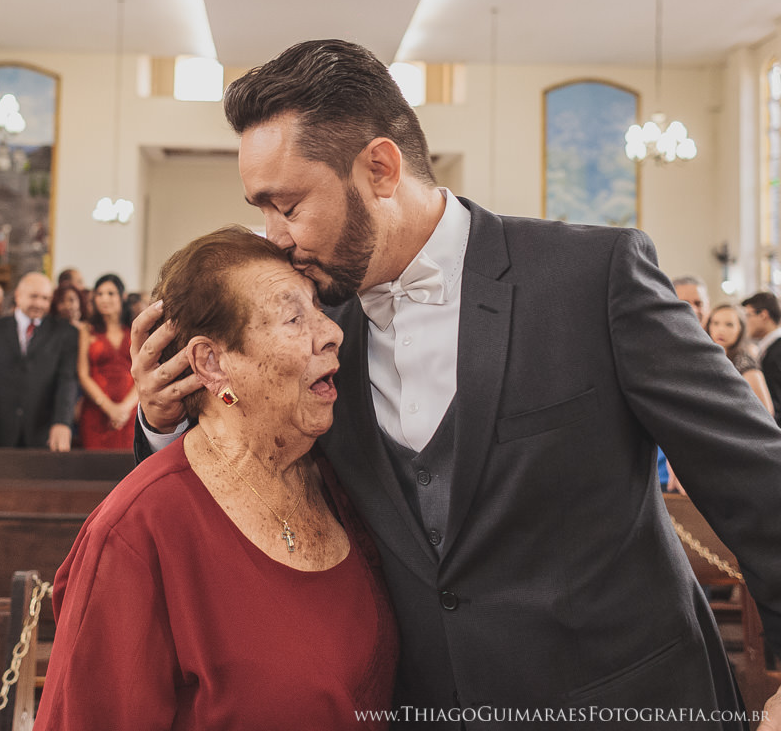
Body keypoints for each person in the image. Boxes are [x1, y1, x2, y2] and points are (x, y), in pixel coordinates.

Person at [132, 39, 781, 724]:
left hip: (628, 702)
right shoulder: (313, 329)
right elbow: (246, 483)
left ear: (380, 168)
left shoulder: (591, 277)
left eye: (288, 206)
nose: (275, 238)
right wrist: (162, 418)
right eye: (261, 209)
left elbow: (756, 479)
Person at [36, 227, 397, 730]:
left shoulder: (335, 480)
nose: (332, 333)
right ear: (212, 362)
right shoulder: (134, 533)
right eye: (295, 318)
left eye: (320, 310)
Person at [0, 272, 78, 451]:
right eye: (34, 296)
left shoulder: (65, 333)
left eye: (45, 298)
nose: (39, 303)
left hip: (44, 432)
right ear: (18, 295)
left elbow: (67, 381)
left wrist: (62, 422)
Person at [76, 273, 137, 449]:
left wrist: (125, 408)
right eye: (100, 294)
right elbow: (82, 373)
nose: (104, 299)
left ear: (122, 297)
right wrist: (108, 407)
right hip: (97, 410)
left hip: (130, 410)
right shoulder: (87, 330)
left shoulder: (135, 329)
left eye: (110, 293)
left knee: (130, 468)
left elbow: (144, 372)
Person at [707, 303, 775, 415]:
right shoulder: (712, 357)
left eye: (729, 325)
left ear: (740, 328)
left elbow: (767, 411)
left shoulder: (744, 362)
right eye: (715, 323)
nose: (721, 330)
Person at [743, 291, 781, 421]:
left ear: (763, 315)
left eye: (748, 315)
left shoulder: (777, 351)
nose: (745, 322)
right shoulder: (770, 347)